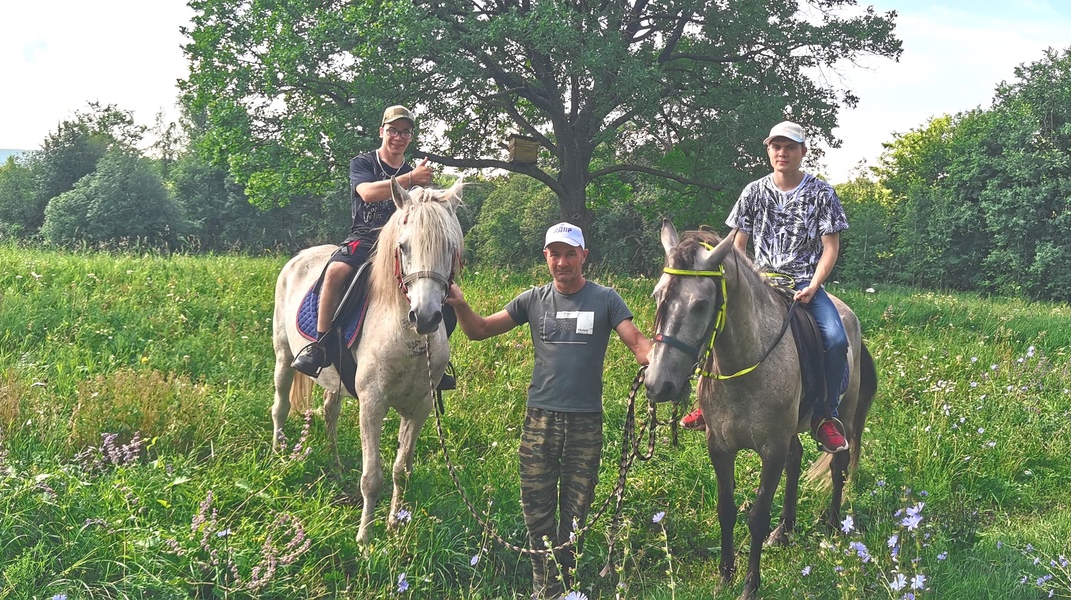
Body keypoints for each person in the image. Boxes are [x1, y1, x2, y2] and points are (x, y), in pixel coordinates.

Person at [445, 222, 651, 600]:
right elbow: (480, 330)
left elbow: (639, 346)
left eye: (570, 253)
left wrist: (673, 356)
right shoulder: (532, 300)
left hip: (586, 422)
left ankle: (565, 585)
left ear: (583, 256)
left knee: (575, 512)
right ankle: (546, 588)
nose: (562, 262)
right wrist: (460, 304)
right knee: (537, 510)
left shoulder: (606, 299)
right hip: (540, 419)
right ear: (546, 258)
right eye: (555, 254)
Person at [679, 120, 850, 454]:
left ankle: (824, 415)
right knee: (715, 325)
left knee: (835, 338)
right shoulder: (753, 192)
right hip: (761, 282)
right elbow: (738, 244)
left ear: (802, 151)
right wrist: (743, 284)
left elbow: (831, 246)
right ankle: (707, 403)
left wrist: (815, 285)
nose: (782, 153)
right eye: (776, 146)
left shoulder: (821, 193)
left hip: (803, 283)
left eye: (790, 147)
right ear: (768, 150)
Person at [291, 104, 455, 389]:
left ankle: (436, 358)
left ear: (410, 137)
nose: (398, 137)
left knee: (449, 293)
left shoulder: (413, 172)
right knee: (336, 272)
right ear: (382, 132)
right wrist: (411, 179)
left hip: (401, 243)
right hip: (365, 238)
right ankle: (320, 345)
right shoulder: (364, 163)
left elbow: (423, 211)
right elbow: (366, 193)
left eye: (405, 132)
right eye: (393, 130)